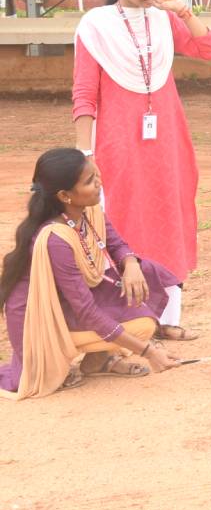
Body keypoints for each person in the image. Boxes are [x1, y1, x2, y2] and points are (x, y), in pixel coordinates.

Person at [72, 0, 211, 339]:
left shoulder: (164, 19)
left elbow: (209, 49)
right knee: (121, 220)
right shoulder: (96, 26)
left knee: (169, 218)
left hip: (167, 139)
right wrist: (85, 153)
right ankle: (127, 324)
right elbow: (84, 93)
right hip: (118, 142)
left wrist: (181, 10)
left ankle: (167, 320)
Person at [2, 149, 184, 400]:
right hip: (42, 320)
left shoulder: (87, 212)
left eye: (96, 175)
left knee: (145, 271)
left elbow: (117, 244)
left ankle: (97, 361)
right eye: (89, 181)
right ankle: (60, 359)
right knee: (141, 325)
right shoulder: (56, 239)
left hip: (68, 303)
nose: (99, 183)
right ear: (65, 195)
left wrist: (131, 264)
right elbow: (86, 311)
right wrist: (148, 352)